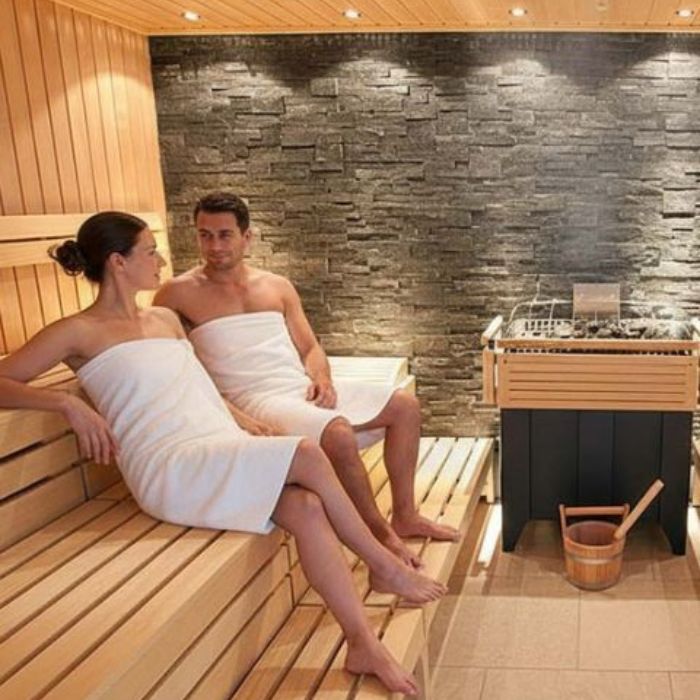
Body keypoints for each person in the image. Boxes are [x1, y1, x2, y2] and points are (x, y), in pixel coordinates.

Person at [0, 211, 447, 695]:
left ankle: (362, 643)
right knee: (306, 453)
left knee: (306, 506)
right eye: (150, 251)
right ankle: (383, 565)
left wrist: (242, 420)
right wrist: (66, 404)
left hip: (217, 441)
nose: (161, 260)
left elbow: (198, 384)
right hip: (169, 463)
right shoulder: (76, 331)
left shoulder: (163, 320)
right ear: (117, 262)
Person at [153, 192, 459, 569]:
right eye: (205, 235)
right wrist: (232, 414)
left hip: (297, 388)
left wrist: (322, 379)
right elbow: (181, 369)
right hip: (252, 399)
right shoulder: (176, 294)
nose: (214, 246)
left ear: (247, 237)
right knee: (338, 432)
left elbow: (310, 347)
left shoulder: (276, 286)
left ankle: (406, 515)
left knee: (405, 407)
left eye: (224, 235)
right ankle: (381, 537)